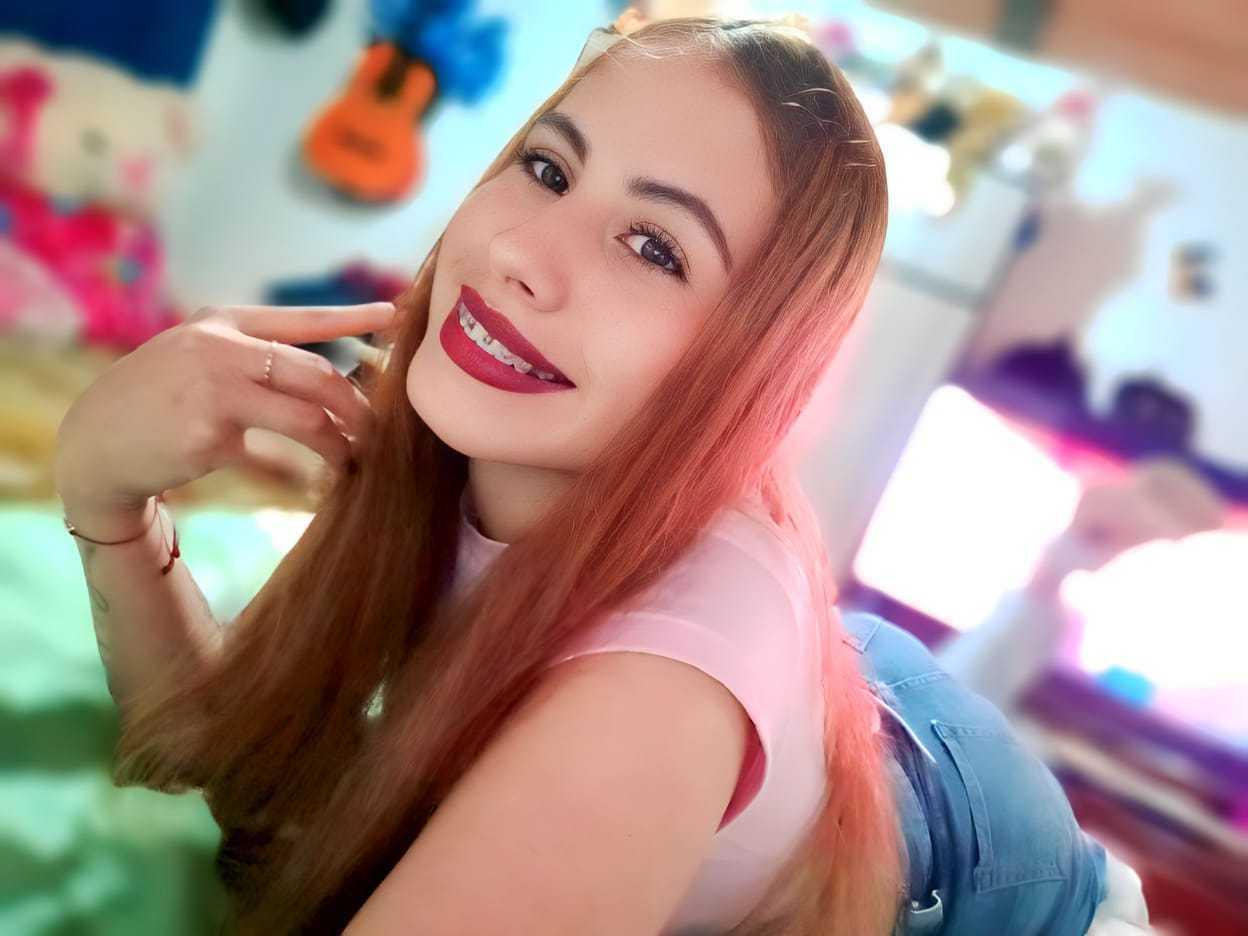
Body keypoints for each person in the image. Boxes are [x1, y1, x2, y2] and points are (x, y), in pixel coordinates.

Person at [53, 12, 1111, 935]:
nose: (521, 252)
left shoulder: (661, 693)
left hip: (981, 863)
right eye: (550, 169)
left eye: (653, 247)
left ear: (749, 361)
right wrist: (106, 497)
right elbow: (231, 749)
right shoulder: (452, 449)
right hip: (835, 687)